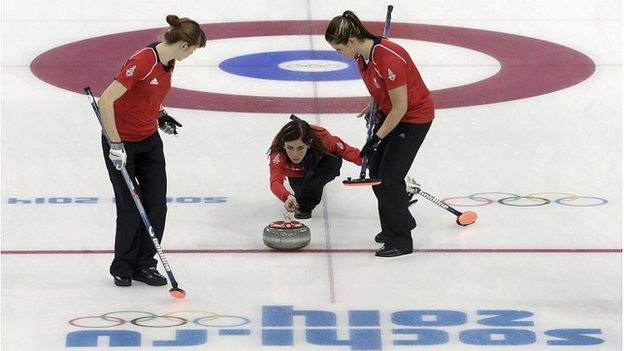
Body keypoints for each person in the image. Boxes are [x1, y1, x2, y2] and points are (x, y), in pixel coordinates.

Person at [97, 15, 206, 286]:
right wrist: (116, 144)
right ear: (183, 45)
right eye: (193, 49)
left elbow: (146, 96)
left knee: (156, 205)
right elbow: (106, 101)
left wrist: (161, 115)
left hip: (149, 141)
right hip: (121, 144)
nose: (192, 54)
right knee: (131, 207)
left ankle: (145, 264)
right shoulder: (142, 61)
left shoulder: (169, 63)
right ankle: (122, 266)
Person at [325, 11, 434, 258]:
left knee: (390, 178)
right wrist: (373, 103)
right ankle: (401, 221)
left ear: (351, 41)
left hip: (411, 119)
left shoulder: (389, 59)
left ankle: (400, 241)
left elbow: (401, 107)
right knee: (376, 174)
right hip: (391, 113)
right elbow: (380, 85)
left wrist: (376, 139)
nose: (338, 54)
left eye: (339, 49)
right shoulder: (362, 58)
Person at [268, 115, 362, 219]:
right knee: (302, 191)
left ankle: (305, 203)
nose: (295, 154)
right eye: (290, 148)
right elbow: (275, 180)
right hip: (295, 172)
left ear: (309, 144)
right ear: (284, 145)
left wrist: (372, 164)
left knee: (333, 162)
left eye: (300, 148)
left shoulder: (323, 138)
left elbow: (348, 151)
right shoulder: (277, 152)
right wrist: (287, 197)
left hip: (318, 161)